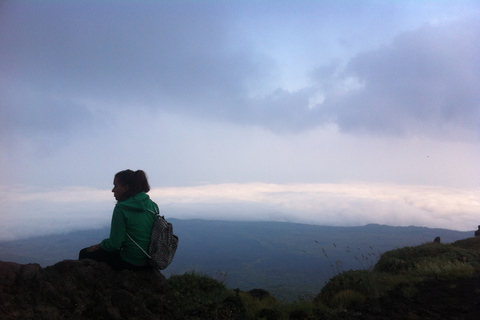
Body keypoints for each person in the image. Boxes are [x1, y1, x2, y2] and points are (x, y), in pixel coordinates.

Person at [79, 169, 158, 270]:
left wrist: (99, 245)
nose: (113, 190)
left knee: (84, 253)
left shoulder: (121, 209)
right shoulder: (153, 205)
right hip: (150, 260)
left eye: (115, 186)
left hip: (131, 261)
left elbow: (115, 244)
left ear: (126, 188)